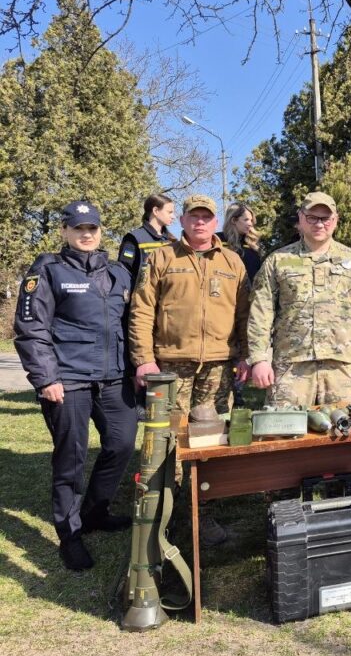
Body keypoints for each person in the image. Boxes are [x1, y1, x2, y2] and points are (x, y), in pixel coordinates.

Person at [14, 201, 137, 571]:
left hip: (114, 377)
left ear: (101, 232)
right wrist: (46, 378)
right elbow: (31, 327)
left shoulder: (118, 272)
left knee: (122, 443)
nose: (87, 234)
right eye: (79, 228)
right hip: (68, 380)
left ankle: (96, 511)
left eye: (93, 229)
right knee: (71, 457)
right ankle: (70, 533)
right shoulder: (48, 270)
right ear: (65, 231)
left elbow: (131, 323)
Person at [129, 194, 251, 546]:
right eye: (193, 216)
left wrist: (244, 355)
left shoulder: (232, 262)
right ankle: (161, 517)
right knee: (165, 442)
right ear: (181, 220)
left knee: (209, 441)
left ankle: (202, 516)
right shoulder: (161, 257)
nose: (200, 222)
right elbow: (140, 312)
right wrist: (144, 359)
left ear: (215, 223)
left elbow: (244, 314)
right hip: (170, 365)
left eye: (206, 217)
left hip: (217, 365)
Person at [248, 191, 351, 408]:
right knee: (287, 434)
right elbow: (260, 314)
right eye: (312, 217)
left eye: (325, 218)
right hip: (291, 368)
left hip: (341, 368)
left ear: (335, 220)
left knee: (345, 432)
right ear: (301, 218)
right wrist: (259, 359)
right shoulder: (278, 261)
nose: (319, 224)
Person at [118, 192, 176, 288]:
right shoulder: (134, 238)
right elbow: (124, 273)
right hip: (141, 299)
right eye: (169, 212)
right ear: (156, 211)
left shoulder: (172, 241)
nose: (173, 216)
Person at [220, 201, 263, 284]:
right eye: (246, 220)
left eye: (251, 220)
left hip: (249, 294)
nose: (250, 224)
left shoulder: (252, 245)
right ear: (233, 220)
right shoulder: (217, 241)